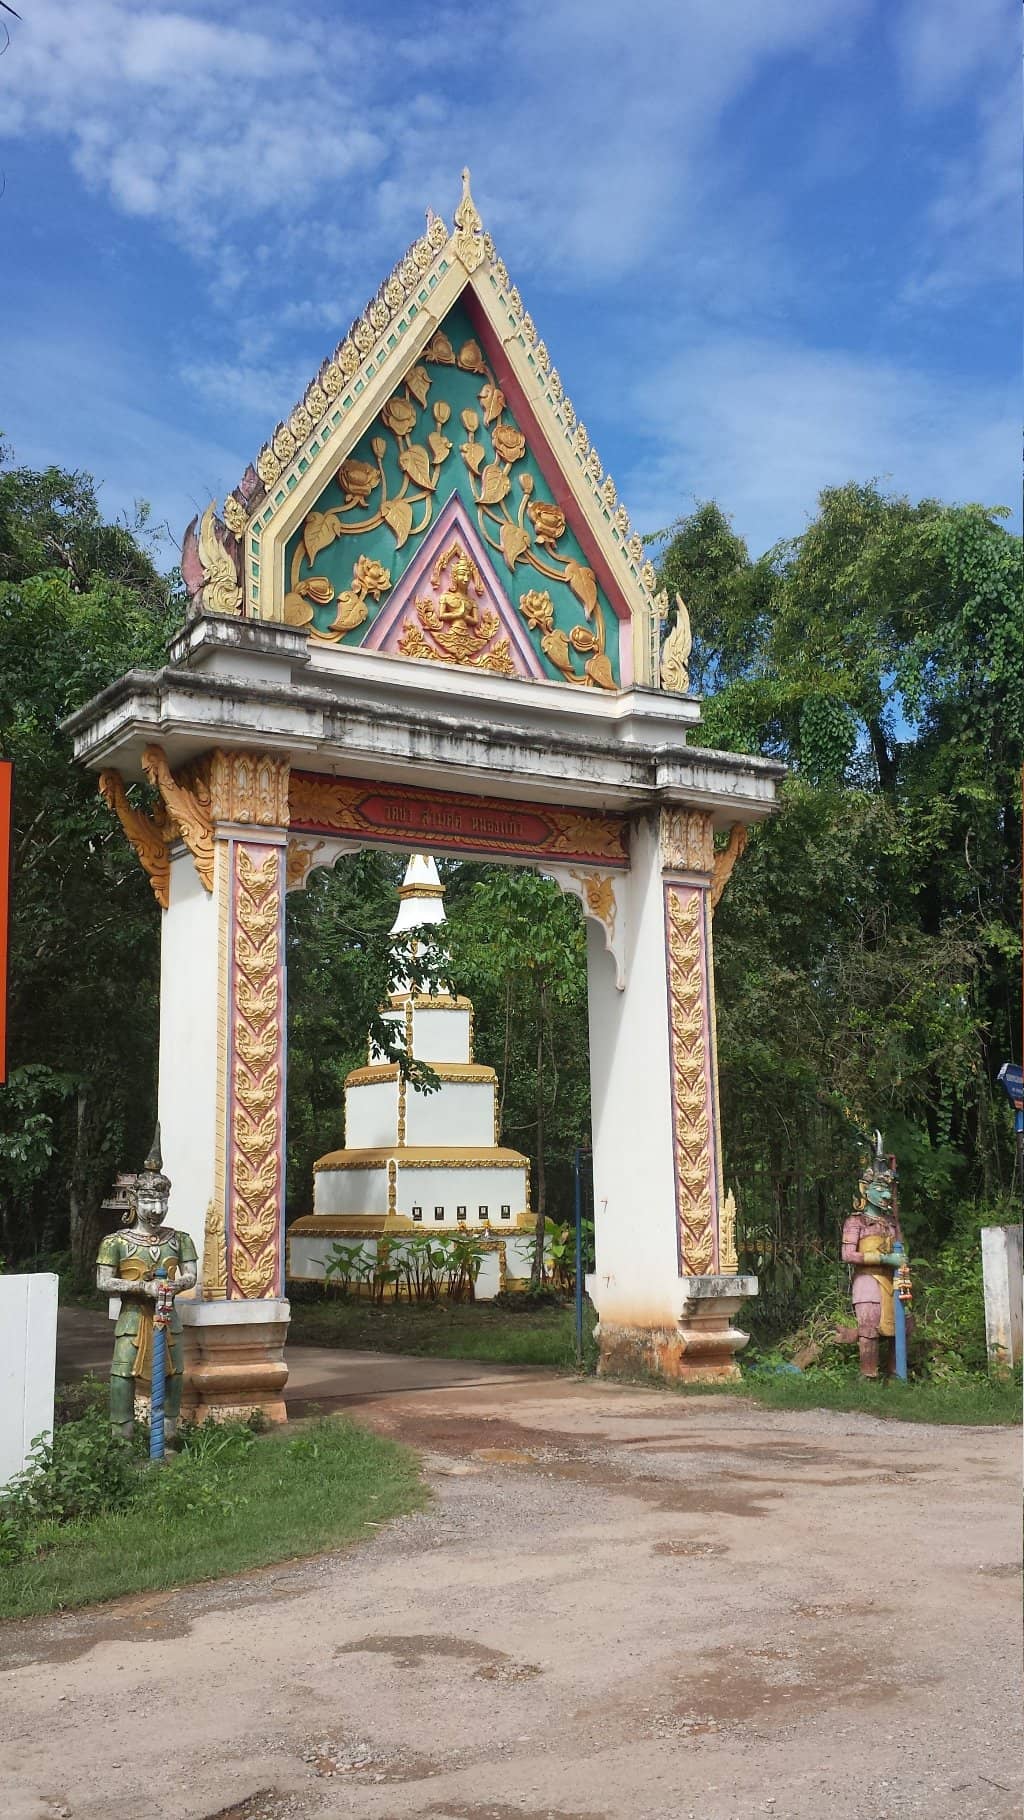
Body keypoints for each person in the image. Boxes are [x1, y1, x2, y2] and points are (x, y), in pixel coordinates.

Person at [96, 1129, 197, 1438]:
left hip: (168, 1319)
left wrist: (173, 1287)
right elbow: (103, 1281)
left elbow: (191, 1276)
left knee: (174, 1375)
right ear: (135, 1199)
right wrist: (143, 1287)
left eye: (162, 1201)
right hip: (132, 1317)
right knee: (121, 1376)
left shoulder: (179, 1239)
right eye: (150, 1201)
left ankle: (167, 1434)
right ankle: (121, 1438)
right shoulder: (116, 1242)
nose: (156, 1209)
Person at [841, 1133, 905, 1379]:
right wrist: (882, 1260)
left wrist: (900, 1264)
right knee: (869, 1327)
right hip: (868, 1281)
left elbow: (901, 1250)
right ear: (865, 1191)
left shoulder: (890, 1222)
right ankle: (868, 1374)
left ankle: (896, 1373)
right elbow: (847, 1254)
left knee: (899, 1327)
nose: (887, 1195)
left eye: (888, 1189)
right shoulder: (856, 1221)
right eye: (880, 1189)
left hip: (892, 1281)